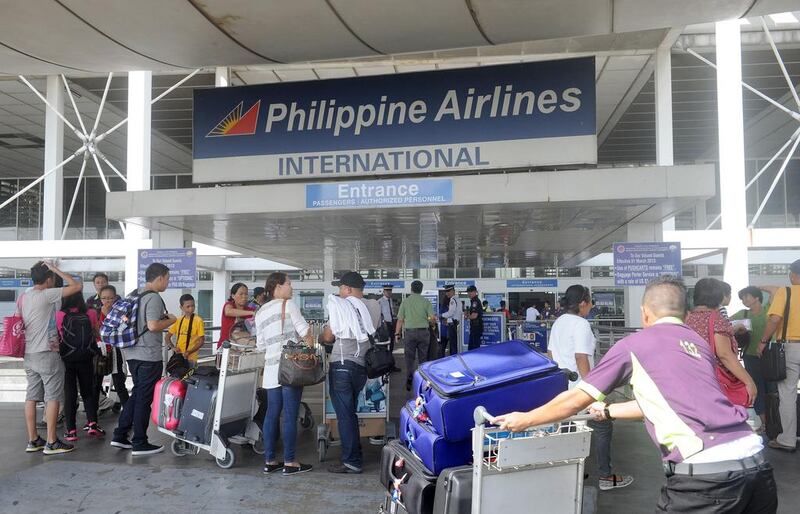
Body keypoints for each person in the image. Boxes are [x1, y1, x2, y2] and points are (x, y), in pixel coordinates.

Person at [495, 277, 777, 513]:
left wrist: (526, 419)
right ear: (685, 313)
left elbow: (576, 399)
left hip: (706, 479)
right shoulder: (696, 343)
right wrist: (607, 411)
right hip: (757, 466)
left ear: (644, 313)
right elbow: (665, 403)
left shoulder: (636, 343)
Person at [548, 285, 632, 491]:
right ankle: (605, 476)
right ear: (583, 303)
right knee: (603, 425)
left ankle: (570, 472)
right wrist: (594, 392)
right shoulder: (581, 324)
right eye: (590, 302)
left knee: (568, 429)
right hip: (581, 389)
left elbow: (550, 353)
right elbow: (581, 357)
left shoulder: (559, 322)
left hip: (562, 386)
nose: (592, 306)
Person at [111, 262, 175, 456]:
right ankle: (140, 441)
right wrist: (172, 320)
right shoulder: (153, 297)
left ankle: (120, 435)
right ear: (160, 278)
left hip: (131, 353)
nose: (167, 283)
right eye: (167, 279)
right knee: (143, 399)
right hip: (148, 355)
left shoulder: (134, 293)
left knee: (137, 394)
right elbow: (154, 325)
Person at [320, 271, 381, 474]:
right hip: (362, 368)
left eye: (340, 288)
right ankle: (355, 453)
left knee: (345, 416)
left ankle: (351, 461)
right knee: (350, 413)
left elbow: (328, 337)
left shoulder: (341, 306)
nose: (339, 292)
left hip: (342, 365)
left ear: (347, 289)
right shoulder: (373, 305)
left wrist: (322, 335)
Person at [255, 272, 314, 476]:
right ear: (277, 287)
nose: (292, 287)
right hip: (290, 369)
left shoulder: (260, 312)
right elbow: (306, 332)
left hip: (271, 370)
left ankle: (270, 461)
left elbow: (260, 345)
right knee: (290, 415)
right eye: (289, 284)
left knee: (272, 414)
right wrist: (310, 350)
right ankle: (290, 462)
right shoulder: (288, 305)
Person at [21, 261, 82, 455]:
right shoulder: (47, 294)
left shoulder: (24, 297)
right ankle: (52, 441)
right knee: (53, 396)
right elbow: (76, 286)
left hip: (29, 354)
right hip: (46, 353)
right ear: (49, 279)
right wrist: (56, 269)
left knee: (31, 396)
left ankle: (33, 440)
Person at [685, 278, 756, 408]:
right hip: (714, 382)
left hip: (691, 379)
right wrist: (749, 381)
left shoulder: (687, 319)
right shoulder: (716, 319)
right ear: (718, 296)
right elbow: (724, 355)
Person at [758, 258, 800, 452]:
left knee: (788, 393)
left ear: (792, 275)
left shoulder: (786, 291)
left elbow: (775, 319)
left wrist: (763, 341)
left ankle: (787, 440)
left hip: (791, 348)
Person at [57, 292, 104, 442]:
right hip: (86, 356)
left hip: (67, 358)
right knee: (87, 391)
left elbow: (58, 335)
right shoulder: (90, 312)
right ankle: (92, 424)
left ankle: (71, 431)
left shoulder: (60, 314)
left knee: (70, 393)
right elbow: (96, 333)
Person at [395, 280, 437, 391]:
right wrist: (432, 325)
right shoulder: (426, 301)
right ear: (421, 290)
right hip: (424, 333)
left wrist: (397, 333)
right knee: (423, 358)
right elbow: (432, 318)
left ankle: (409, 381)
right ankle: (423, 382)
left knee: (409, 358)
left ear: (411, 289)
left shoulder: (405, 302)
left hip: (410, 333)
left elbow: (400, 320)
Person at [98, 285, 128, 411]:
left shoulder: (121, 312)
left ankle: (127, 411)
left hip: (117, 352)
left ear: (115, 298)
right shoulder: (97, 312)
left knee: (119, 383)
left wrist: (108, 317)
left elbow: (123, 328)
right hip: (102, 351)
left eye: (110, 298)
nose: (107, 301)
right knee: (96, 381)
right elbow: (98, 332)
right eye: (104, 298)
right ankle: (101, 407)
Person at [167, 294, 206, 366]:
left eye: (193, 306)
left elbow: (201, 341)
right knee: (177, 376)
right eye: (188, 306)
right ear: (181, 307)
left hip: (191, 359)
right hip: (178, 357)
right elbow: (167, 337)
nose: (191, 309)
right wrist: (173, 347)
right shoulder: (178, 320)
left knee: (190, 376)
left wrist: (189, 352)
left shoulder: (198, 320)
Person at [218, 283, 256, 348]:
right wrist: (251, 313)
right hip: (226, 346)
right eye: (241, 294)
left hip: (244, 347)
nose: (244, 297)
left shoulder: (251, 309)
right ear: (233, 295)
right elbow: (228, 311)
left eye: (246, 294)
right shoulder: (229, 305)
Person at [440, 284, 460, 357]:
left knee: (453, 346)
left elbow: (450, 313)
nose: (447, 293)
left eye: (449, 291)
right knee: (453, 346)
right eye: (446, 291)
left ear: (453, 291)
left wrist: (441, 316)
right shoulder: (456, 299)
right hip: (453, 325)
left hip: (452, 325)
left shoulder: (453, 300)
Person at [378, 285, 399, 354]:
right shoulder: (380, 301)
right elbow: (379, 314)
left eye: (390, 291)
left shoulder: (391, 301)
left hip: (392, 323)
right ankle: (385, 354)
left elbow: (392, 311)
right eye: (387, 291)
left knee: (392, 340)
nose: (389, 292)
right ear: (383, 292)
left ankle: (390, 353)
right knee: (385, 340)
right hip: (385, 324)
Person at [466, 285, 483, 351]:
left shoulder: (475, 301)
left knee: (473, 348)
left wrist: (467, 317)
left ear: (475, 292)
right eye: (468, 292)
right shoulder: (474, 301)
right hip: (475, 327)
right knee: (473, 347)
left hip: (476, 327)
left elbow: (474, 315)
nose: (469, 294)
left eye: (471, 292)